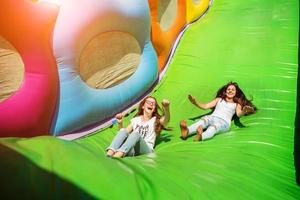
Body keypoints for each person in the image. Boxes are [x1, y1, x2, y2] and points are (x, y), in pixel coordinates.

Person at [180, 82, 256, 142]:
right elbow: (205, 106)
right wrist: (195, 102)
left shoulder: (236, 104)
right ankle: (187, 131)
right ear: (225, 91)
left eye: (233, 90)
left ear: (236, 93)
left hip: (224, 122)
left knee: (213, 128)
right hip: (212, 117)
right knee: (202, 122)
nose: (230, 91)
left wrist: (244, 111)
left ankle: (201, 136)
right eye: (228, 89)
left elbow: (238, 114)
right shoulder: (219, 99)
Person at [106, 96, 170, 158]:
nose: (151, 104)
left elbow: (166, 119)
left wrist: (166, 107)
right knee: (123, 130)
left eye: (153, 104)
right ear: (143, 106)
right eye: (148, 102)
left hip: (146, 150)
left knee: (135, 134)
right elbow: (124, 133)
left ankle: (117, 155)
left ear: (154, 109)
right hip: (132, 150)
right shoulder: (136, 120)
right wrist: (120, 123)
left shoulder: (155, 120)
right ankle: (110, 153)